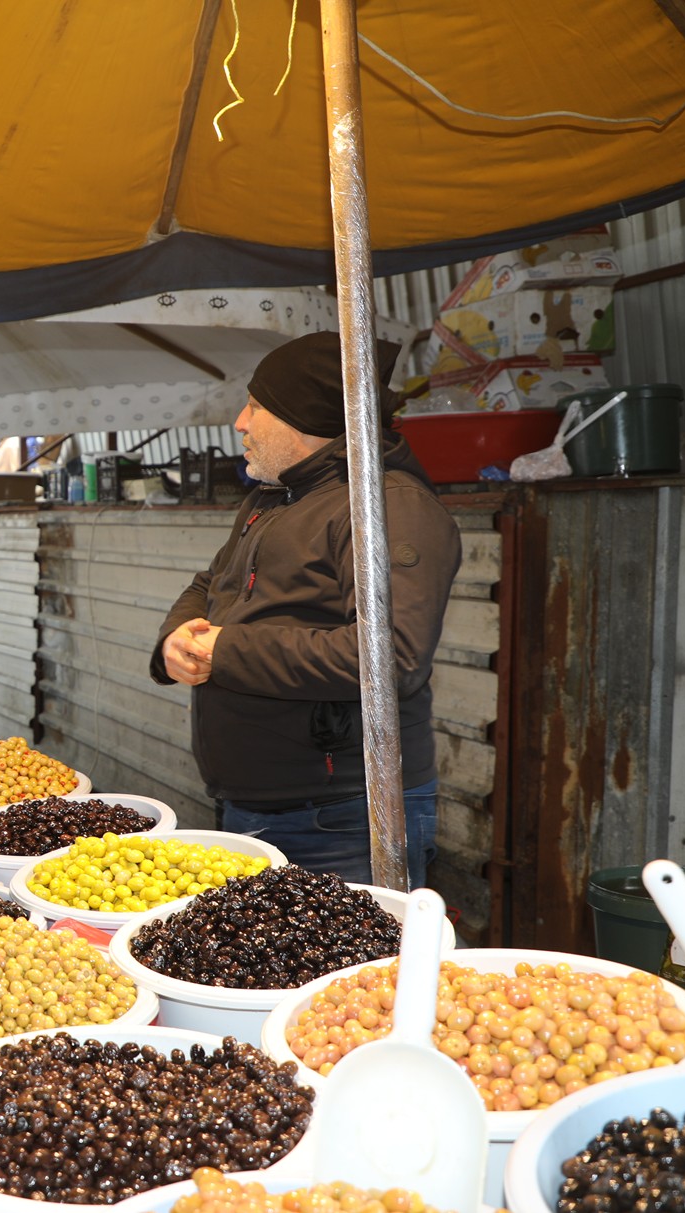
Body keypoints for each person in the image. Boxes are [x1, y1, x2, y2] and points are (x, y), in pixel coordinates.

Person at [149, 332, 460, 890]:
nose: (240, 423)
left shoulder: (387, 508)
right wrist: (177, 636)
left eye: (256, 407)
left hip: (340, 819)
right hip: (256, 804)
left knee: (353, 950)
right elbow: (211, 582)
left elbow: (392, 658)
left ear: (304, 418)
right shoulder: (273, 498)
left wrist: (227, 649)